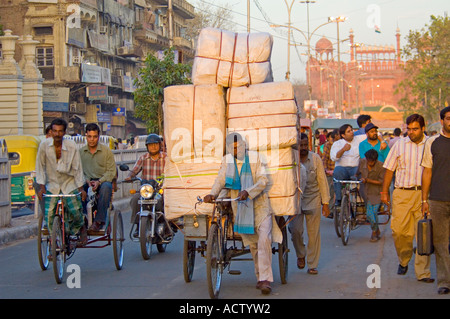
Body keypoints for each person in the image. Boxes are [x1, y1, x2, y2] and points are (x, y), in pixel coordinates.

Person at [203, 133, 282, 295]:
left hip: (260, 206)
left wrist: (249, 191)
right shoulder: (227, 160)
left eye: (238, 146)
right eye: (232, 147)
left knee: (264, 240)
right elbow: (220, 179)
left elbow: (263, 181)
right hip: (240, 207)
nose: (236, 149)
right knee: (253, 244)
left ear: (244, 145)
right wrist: (212, 194)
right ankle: (260, 277)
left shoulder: (255, 158)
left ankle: (266, 279)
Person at [381, 114, 434, 283]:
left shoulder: (431, 144)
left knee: (424, 234)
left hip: (424, 195)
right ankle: (404, 259)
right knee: (399, 231)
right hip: (402, 193)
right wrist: (384, 192)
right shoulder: (399, 145)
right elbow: (389, 169)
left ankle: (423, 272)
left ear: (423, 129)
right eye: (409, 129)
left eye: (415, 129)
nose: (411, 132)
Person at [35, 118, 87, 245]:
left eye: (60, 131)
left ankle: (79, 228)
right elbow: (40, 167)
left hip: (69, 183)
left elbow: (77, 168)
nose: (57, 134)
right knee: (49, 214)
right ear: (51, 132)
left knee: (75, 211)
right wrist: (42, 187)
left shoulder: (71, 146)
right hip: (52, 184)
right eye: (55, 131)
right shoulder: (44, 146)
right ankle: (54, 242)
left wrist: (81, 189)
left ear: (64, 132)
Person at [289, 133, 330, 275]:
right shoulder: (291, 158)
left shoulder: (315, 158)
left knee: (313, 234)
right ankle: (301, 254)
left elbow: (322, 181)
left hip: (313, 198)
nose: (304, 148)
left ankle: (312, 264)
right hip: (296, 200)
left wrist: (326, 202)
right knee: (295, 230)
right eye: (301, 145)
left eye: (306, 145)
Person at [421, 106, 450, 295]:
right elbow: (427, 172)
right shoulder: (432, 142)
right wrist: (424, 199)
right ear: (442, 121)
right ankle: (444, 281)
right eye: (449, 118)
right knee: (440, 243)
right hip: (438, 200)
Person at [125, 133, 166, 236]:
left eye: (155, 144)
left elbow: (172, 172)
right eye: (150, 144)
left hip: (159, 191)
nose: (153, 146)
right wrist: (130, 176)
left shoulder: (166, 158)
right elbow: (134, 171)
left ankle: (164, 223)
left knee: (162, 201)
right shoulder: (143, 158)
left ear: (160, 145)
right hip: (146, 191)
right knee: (135, 200)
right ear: (147, 146)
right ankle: (138, 226)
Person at [79, 123, 116, 231]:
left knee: (106, 187)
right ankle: (83, 218)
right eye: (89, 136)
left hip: (102, 181)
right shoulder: (80, 153)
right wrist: (86, 180)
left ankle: (99, 220)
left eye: (95, 137)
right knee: (76, 190)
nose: (92, 140)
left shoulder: (106, 151)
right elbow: (78, 171)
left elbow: (111, 171)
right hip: (87, 181)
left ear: (98, 137)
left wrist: (99, 181)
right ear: (86, 136)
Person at [357, 149, 385, 242]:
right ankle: (376, 229)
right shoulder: (362, 162)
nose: (369, 163)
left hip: (376, 193)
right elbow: (356, 174)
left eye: (371, 161)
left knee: (372, 212)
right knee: (370, 214)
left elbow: (381, 182)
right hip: (365, 192)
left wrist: (368, 180)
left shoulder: (381, 166)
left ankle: (374, 231)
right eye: (368, 161)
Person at [330, 124, 360, 207]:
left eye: (351, 130)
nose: (351, 132)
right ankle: (339, 199)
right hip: (342, 169)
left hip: (355, 168)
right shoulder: (337, 144)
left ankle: (360, 200)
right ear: (343, 135)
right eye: (348, 131)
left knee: (361, 174)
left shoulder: (358, 140)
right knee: (337, 172)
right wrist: (343, 150)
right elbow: (334, 158)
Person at [322, 130, 339, 218]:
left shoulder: (343, 144)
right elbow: (324, 158)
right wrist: (325, 170)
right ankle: (331, 210)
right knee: (330, 191)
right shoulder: (328, 145)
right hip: (330, 171)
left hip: (340, 171)